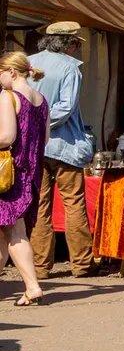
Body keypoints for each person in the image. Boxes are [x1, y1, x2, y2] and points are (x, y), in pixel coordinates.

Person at [29, 23, 95, 279]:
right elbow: (66, 107)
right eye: (76, 43)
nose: (76, 48)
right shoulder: (70, 67)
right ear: (67, 43)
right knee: (74, 203)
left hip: (36, 146)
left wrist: (31, 126)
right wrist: (42, 122)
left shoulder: (28, 62)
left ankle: (40, 267)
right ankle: (81, 264)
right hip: (63, 145)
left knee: (40, 206)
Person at [0, 50, 49, 306]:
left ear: (12, 72)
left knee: (15, 230)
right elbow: (46, 139)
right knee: (4, 231)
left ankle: (32, 286)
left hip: (10, 173)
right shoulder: (41, 99)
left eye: (0, 73)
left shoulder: (8, 97)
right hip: (31, 171)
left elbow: (6, 137)